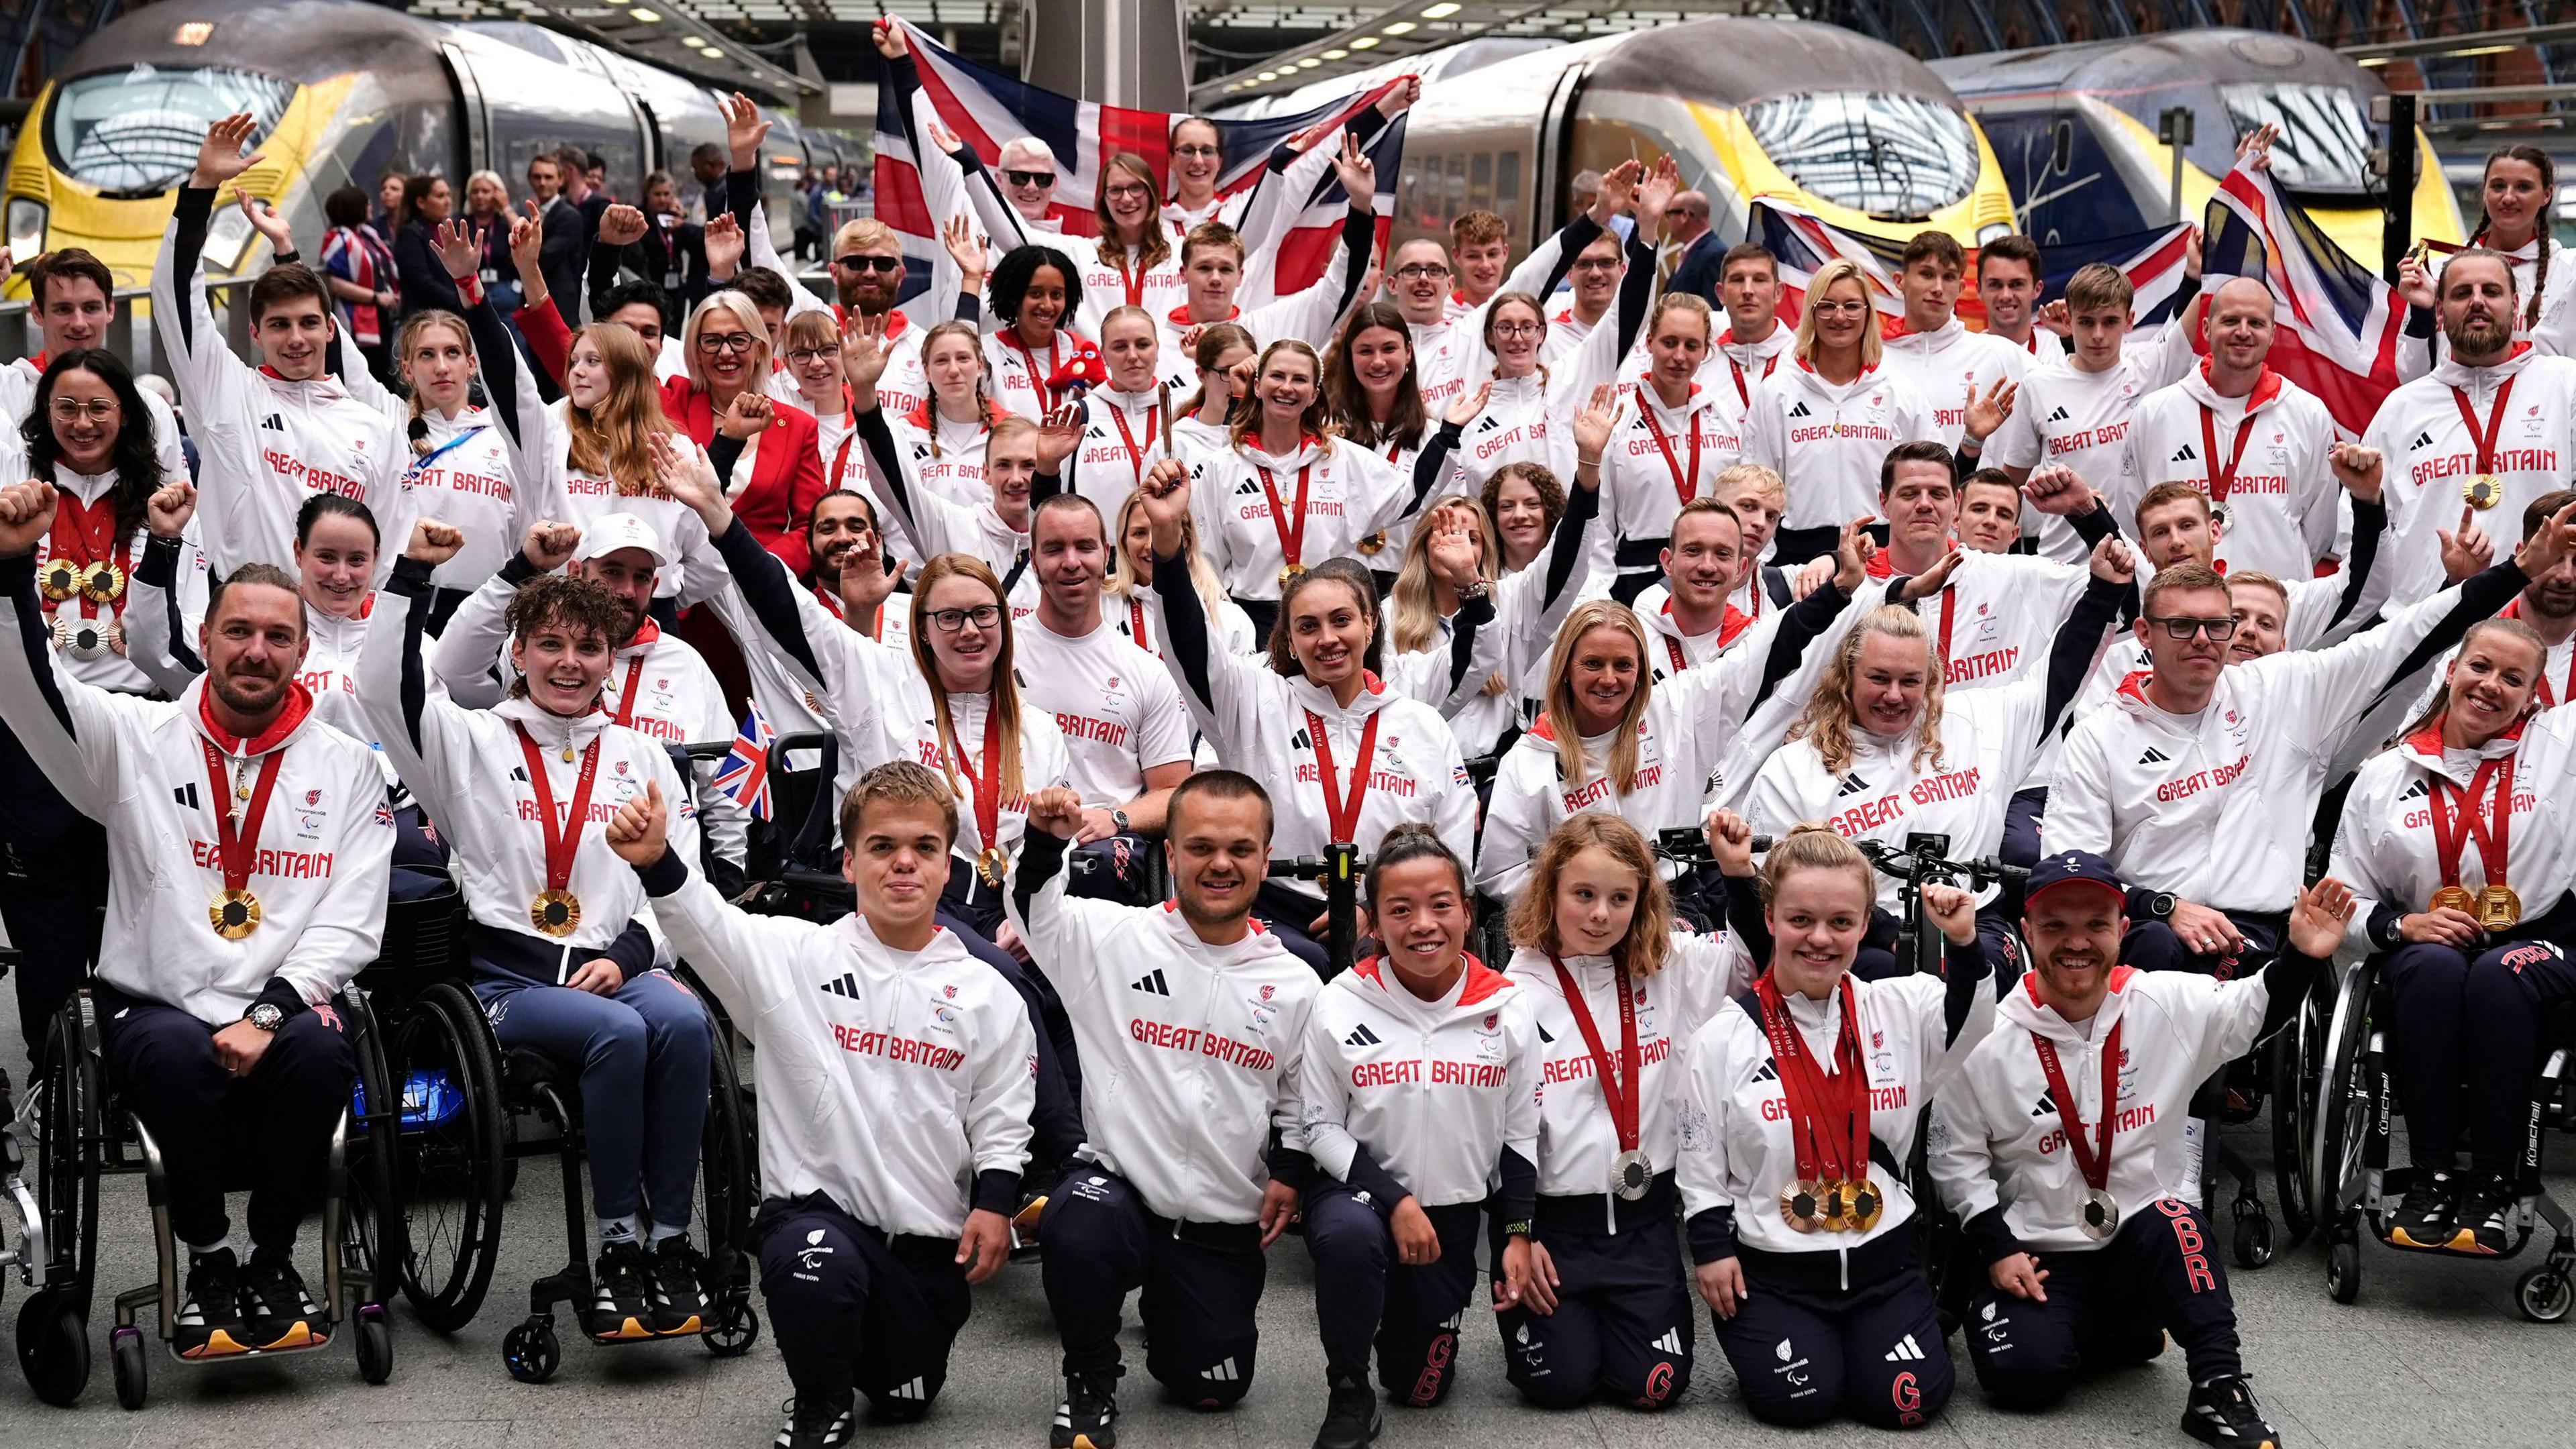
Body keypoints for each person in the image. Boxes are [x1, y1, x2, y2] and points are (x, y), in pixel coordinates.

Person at [0, 478, 392, 1357]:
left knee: (326, 1051)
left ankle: (275, 1261)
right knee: (171, 1052)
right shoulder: (134, 739)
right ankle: (212, 1258)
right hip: (163, 1004)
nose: (257, 650)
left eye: (277, 637)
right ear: (206, 637)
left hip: (288, 1004)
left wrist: (269, 1013)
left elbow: (354, 919)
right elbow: (29, 692)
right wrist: (9, 572)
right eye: (240, 631)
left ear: (303, 652)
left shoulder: (347, 767)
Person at [604, 760, 1034, 1446]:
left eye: (924, 848)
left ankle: (878, 1354)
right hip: (815, 1219)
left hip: (925, 1249)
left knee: (904, 1398)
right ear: (849, 864)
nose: (904, 865)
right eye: (882, 847)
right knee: (815, 1265)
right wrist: (658, 864)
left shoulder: (989, 994)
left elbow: (1003, 1113)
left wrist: (994, 1201)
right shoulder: (791, 956)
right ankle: (820, 1403)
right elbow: (706, 926)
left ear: (949, 870)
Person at [362, 518, 715, 1342]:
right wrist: (416, 574)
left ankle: (670, 1243)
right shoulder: (471, 742)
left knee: (689, 1023)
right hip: (507, 985)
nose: (568, 662)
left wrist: (630, 953)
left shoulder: (642, 755)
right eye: (549, 643)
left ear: (609, 660)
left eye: (588, 648)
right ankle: (618, 1243)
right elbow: (382, 686)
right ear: (518, 653)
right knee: (620, 1036)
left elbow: (678, 883)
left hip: (617, 964)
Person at [2049, 502, 2576, 975]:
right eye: (2182, 626)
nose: (2204, 641)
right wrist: (2160, 906)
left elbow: (2403, 639)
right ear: (2145, 635)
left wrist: (2519, 571)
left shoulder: (2283, 688)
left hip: (2254, 932)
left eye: (2218, 625)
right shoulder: (2100, 734)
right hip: (2148, 924)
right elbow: (2070, 863)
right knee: (2151, 956)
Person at [1930, 855, 2339, 1448]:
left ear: (2123, 931)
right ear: (2025, 933)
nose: (2077, 944)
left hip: (2145, 1232)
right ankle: (2114, 1328)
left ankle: (2217, 1389)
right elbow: (1956, 1159)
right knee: (2022, 1377)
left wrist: (2302, 956)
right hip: (2041, 1250)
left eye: (2096, 925)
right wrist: (1997, 1248)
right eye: (2056, 928)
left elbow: (2252, 1010)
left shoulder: (2165, 1000)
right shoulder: (1986, 1033)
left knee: (2175, 1217)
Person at [1000, 771, 1315, 1445]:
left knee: (1210, 1390)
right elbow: (1033, 908)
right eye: (1200, 847)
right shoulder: (1113, 938)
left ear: (1265, 857)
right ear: (1169, 855)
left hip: (1218, 1217)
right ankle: (1090, 1373)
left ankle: (1174, 1311)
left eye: (1239, 849)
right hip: (1120, 1190)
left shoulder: (1295, 981)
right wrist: (1042, 841)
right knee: (1076, 1225)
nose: (1220, 864)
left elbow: (1301, 1099)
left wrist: (1288, 1170)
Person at [1677, 824, 1994, 1430]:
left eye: (1842, 923)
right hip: (1775, 1272)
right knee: (1801, 1404)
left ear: (1864, 924)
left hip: (1884, 1264)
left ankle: (1877, 1336)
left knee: (1906, 1405)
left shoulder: (1902, 1006)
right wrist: (1712, 1251)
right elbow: (1699, 1156)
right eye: (1801, 919)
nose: (1820, 939)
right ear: (1769, 918)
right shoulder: (1723, 1036)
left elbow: (1970, 1020)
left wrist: (1964, 940)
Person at [1737, 535, 2131, 975]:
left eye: (1910, 681)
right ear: (1847, 677)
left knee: (1981, 969)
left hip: (1974, 922)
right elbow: (1772, 885)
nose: (1894, 695)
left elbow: (2056, 679)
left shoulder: (1976, 723)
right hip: (1861, 941)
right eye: (1879, 678)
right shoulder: (1793, 770)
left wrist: (2102, 594)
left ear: (1930, 681)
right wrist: (1878, 930)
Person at [1477, 515, 1891, 908]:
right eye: (1592, 664)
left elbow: (1767, 649)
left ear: (1641, 671)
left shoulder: (1673, 708)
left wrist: (1839, 588)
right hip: (1574, 925)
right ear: (1565, 670)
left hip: (1673, 908)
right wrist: (1580, 901)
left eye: (1624, 666)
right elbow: (1501, 873)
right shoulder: (1531, 759)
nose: (1609, 679)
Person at [2328, 616, 2576, 1254]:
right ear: (2452, 670)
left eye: (2513, 679)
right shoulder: (2384, 777)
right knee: (2435, 969)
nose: (2492, 686)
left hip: (2541, 940)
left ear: (2534, 695)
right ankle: (2433, 1177)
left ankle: (2495, 1181)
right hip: (2426, 942)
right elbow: (2341, 897)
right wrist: (2400, 925)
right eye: (2481, 667)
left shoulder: (2559, 747)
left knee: (2502, 974)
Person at [1494, 813, 1752, 1410]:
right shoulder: (1514, 994)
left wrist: (1736, 873)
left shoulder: (1670, 966)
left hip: (1644, 1229)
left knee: (1654, 1388)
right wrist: (1519, 1231)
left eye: (1620, 898)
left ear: (1642, 902)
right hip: (1556, 1234)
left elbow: (1750, 960)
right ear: (1550, 891)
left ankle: (1616, 1324)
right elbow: (1508, 1132)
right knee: (1558, 1388)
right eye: (1583, 895)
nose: (1600, 915)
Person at [1295, 826, 1540, 1446]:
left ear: (1467, 910)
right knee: (1350, 1238)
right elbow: (1319, 1126)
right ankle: (1348, 1388)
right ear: (1373, 921)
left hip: (1453, 1221)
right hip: (1362, 1199)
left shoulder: (1510, 1007)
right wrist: (1395, 1200)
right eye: (1399, 910)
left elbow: (1520, 1133)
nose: (1423, 924)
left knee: (1420, 1389)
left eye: (1440, 905)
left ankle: (1394, 1327)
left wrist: (1516, 1232)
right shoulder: (1340, 1002)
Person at [0, 352, 201, 1058]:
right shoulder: (17, 493)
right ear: (44, 416)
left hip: (137, 722)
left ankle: (134, 1064)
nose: (82, 424)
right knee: (46, 911)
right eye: (66, 409)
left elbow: (172, 628)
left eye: (99, 409)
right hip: (34, 728)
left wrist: (167, 542)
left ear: (126, 417)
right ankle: (56, 1079)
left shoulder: (164, 501)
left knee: (140, 901)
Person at [431, 513, 748, 882]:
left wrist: (730, 871)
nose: (628, 590)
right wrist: (522, 568)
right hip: (538, 867)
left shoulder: (687, 663)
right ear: (578, 571)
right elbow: (453, 667)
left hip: (658, 873)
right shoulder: (539, 653)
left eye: (642, 577)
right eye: (613, 571)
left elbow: (723, 784)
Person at [155, 115, 407, 579]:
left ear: (331, 329)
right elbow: (176, 295)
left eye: (309, 323)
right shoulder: (226, 393)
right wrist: (202, 187)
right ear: (256, 334)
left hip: (338, 632)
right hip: (243, 621)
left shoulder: (376, 427)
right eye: (279, 325)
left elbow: (391, 544)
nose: (295, 338)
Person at [443, 213, 722, 606]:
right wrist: (469, 286)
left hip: (650, 621)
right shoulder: (550, 432)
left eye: (592, 362)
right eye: (574, 361)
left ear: (625, 367)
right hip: (566, 610)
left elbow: (711, 562)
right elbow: (509, 376)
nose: (577, 372)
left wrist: (662, 601)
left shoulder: (675, 449)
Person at [1180, 337, 1464, 636]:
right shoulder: (1221, 467)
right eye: (1277, 376)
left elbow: (1410, 497)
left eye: (1300, 379)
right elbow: (1207, 563)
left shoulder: (1342, 458)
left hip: (1330, 622)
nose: (1287, 387)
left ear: (1315, 394)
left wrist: (1448, 435)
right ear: (1257, 386)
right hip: (1254, 623)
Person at [1449, 159, 1672, 497]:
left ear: (1543, 333)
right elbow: (1529, 277)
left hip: (1571, 542)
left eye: (1528, 327)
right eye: (1505, 328)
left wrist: (1649, 229)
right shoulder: (1468, 411)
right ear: (1489, 336)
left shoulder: (1568, 378)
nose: (1517, 337)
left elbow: (1626, 316)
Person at [2368, 248, 2576, 604]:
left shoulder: (2565, 384)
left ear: (2515, 304)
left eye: (2491, 292)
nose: (2477, 302)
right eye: (2462, 293)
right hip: (2428, 630)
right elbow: (2359, 536)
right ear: (2439, 310)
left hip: (2542, 624)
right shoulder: (2402, 407)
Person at [1016, 492, 1197, 898]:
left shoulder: (1147, 673)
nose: (1071, 562)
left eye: (1084, 547)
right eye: (1054, 549)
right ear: (1033, 561)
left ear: (1107, 555)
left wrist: (1115, 817)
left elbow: (1174, 793)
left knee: (1093, 867)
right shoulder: (998, 652)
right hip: (1009, 835)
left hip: (1098, 850)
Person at [2123, 277, 2341, 579]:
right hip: (2182, 609)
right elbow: (2136, 517)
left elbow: (2319, 528)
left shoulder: (2307, 413)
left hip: (2272, 612)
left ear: (2273, 334)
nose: (2243, 332)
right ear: (2206, 329)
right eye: (2230, 320)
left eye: (2256, 323)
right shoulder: (2155, 413)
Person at [1989, 262, 2201, 563]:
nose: (2098, 335)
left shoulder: (2151, 368)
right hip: (2061, 564)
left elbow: (2209, 296)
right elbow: (2011, 482)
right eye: (2087, 322)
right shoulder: (2038, 385)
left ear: (2130, 321)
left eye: (2110, 322)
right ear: (2068, 318)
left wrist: (2196, 269)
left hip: (2138, 565)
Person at [841, 313, 1065, 593]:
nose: (954, 370)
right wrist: (864, 391)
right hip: (918, 580)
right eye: (942, 360)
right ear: (926, 370)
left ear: (981, 365)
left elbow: (1043, 505)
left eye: (963, 358)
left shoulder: (1013, 433)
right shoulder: (904, 432)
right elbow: (896, 490)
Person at [1739, 257, 1934, 566]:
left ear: (1868, 313)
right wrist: (1760, 562)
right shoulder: (1777, 391)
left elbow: (1931, 477)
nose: (1839, 317)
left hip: (1881, 551)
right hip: (1796, 556)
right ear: (1812, 313)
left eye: (1852, 306)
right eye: (1827, 306)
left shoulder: (1900, 391)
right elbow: (1754, 485)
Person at [659, 290, 828, 577]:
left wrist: (756, 566)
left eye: (739, 340)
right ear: (696, 353)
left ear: (760, 349)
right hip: (684, 593)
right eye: (712, 341)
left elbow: (810, 527)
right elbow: (605, 367)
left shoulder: (798, 426)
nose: (726, 352)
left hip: (760, 592)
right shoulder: (671, 402)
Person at [1596, 294, 1744, 602]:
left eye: (1692, 346)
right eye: (1669, 342)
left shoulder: (1723, 416)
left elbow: (1743, 504)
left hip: (1710, 576)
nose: (1679, 356)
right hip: (1636, 578)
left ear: (1707, 351)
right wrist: (1600, 593)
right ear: (1649, 342)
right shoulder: (1618, 416)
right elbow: (1599, 520)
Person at [0, 248, 185, 482]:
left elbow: (179, 506)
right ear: (37, 312)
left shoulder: (150, 407)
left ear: (110, 310)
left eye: (91, 308)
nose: (79, 323)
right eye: (63, 309)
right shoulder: (6, 391)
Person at [2397, 144, 2573, 376]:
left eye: (2523, 187)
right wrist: (2423, 315)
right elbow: (2410, 377)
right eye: (2498, 186)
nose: (2508, 197)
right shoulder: (2438, 272)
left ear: (2547, 194)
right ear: (2484, 192)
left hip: (2536, 412)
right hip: (2452, 410)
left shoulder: (2569, 272)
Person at [1877, 230, 2027, 463]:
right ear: (1900, 281)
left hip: (1979, 498)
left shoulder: (2001, 354)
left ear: (1959, 288)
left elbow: (2067, 394)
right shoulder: (1874, 361)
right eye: (1927, 274)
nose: (1938, 288)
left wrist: (2067, 341)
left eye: (1948, 277)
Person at [1104, 483, 1259, 659]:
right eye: (1139, 533)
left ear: (1187, 540)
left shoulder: (1231, 619)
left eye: (1162, 531)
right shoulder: (1103, 605)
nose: (1151, 545)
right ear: (1123, 541)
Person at [317, 187, 402, 384]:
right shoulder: (337, 239)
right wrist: (375, 296)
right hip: (358, 317)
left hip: (381, 314)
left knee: (384, 372)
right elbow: (336, 283)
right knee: (369, 371)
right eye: (367, 202)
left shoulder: (367, 234)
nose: (371, 206)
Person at [391, 173, 464, 321]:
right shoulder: (410, 234)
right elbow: (422, 283)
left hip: (448, 316)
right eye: (440, 196)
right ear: (421, 202)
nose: (448, 201)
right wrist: (459, 302)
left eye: (448, 195)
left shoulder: (442, 231)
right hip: (423, 320)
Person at [1974, 234, 2049, 355]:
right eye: (1995, 285)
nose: (2006, 296)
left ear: (2037, 289)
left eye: (2017, 284)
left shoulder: (2057, 349)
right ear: (1979, 290)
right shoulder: (1965, 358)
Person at [1447, 210, 1513, 321]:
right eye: (1473, 256)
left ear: (1505, 253)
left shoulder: (1522, 312)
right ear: (1456, 256)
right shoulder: (1442, 314)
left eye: (1492, 254)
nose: (1485, 265)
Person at [1660, 190, 1723, 303]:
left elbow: (1712, 308)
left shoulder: (1714, 254)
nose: (1667, 221)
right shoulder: (1689, 252)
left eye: (1669, 214)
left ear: (1685, 216)